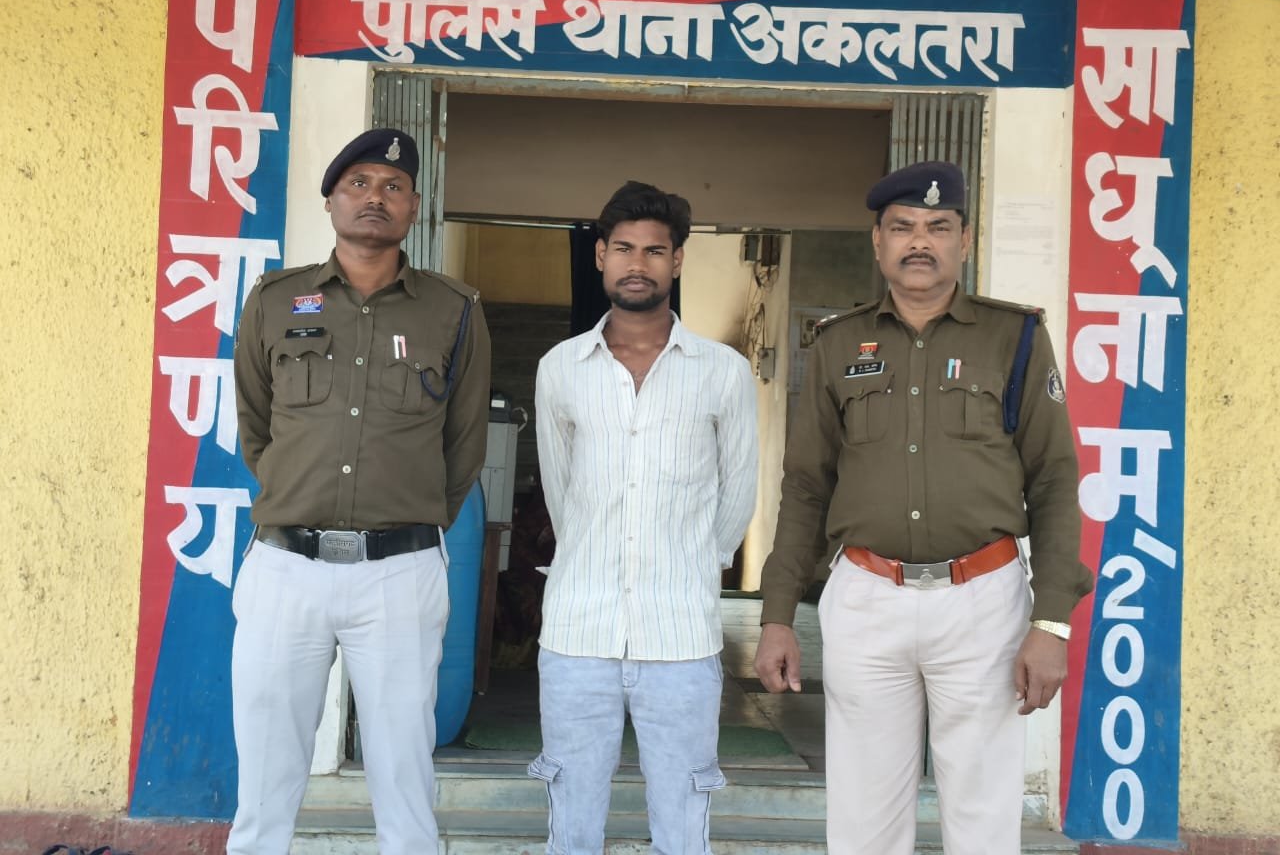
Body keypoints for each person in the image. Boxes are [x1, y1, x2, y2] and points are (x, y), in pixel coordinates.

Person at [754, 161, 1094, 855]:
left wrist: (1052, 621)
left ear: (964, 241)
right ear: (877, 242)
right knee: (865, 818)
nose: (920, 242)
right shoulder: (838, 343)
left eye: (939, 227)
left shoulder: (1015, 338)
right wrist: (777, 614)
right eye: (903, 227)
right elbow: (807, 485)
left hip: (984, 600)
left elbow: (1056, 481)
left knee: (983, 816)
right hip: (866, 597)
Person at [229, 128, 491, 855]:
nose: (376, 197)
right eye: (359, 183)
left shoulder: (453, 309)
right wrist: (299, 496)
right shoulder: (274, 300)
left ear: (414, 209)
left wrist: (408, 519)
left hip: (399, 573)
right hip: (286, 568)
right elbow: (256, 426)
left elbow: (464, 443)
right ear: (330, 201)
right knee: (266, 771)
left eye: (393, 187)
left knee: (403, 770)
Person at [530, 181, 759, 855]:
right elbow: (561, 492)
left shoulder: (722, 372)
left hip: (680, 637)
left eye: (655, 251)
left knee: (683, 832)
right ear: (600, 256)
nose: (639, 264)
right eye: (624, 248)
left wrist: (693, 565)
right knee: (571, 828)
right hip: (577, 634)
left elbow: (737, 496)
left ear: (677, 261)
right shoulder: (560, 369)